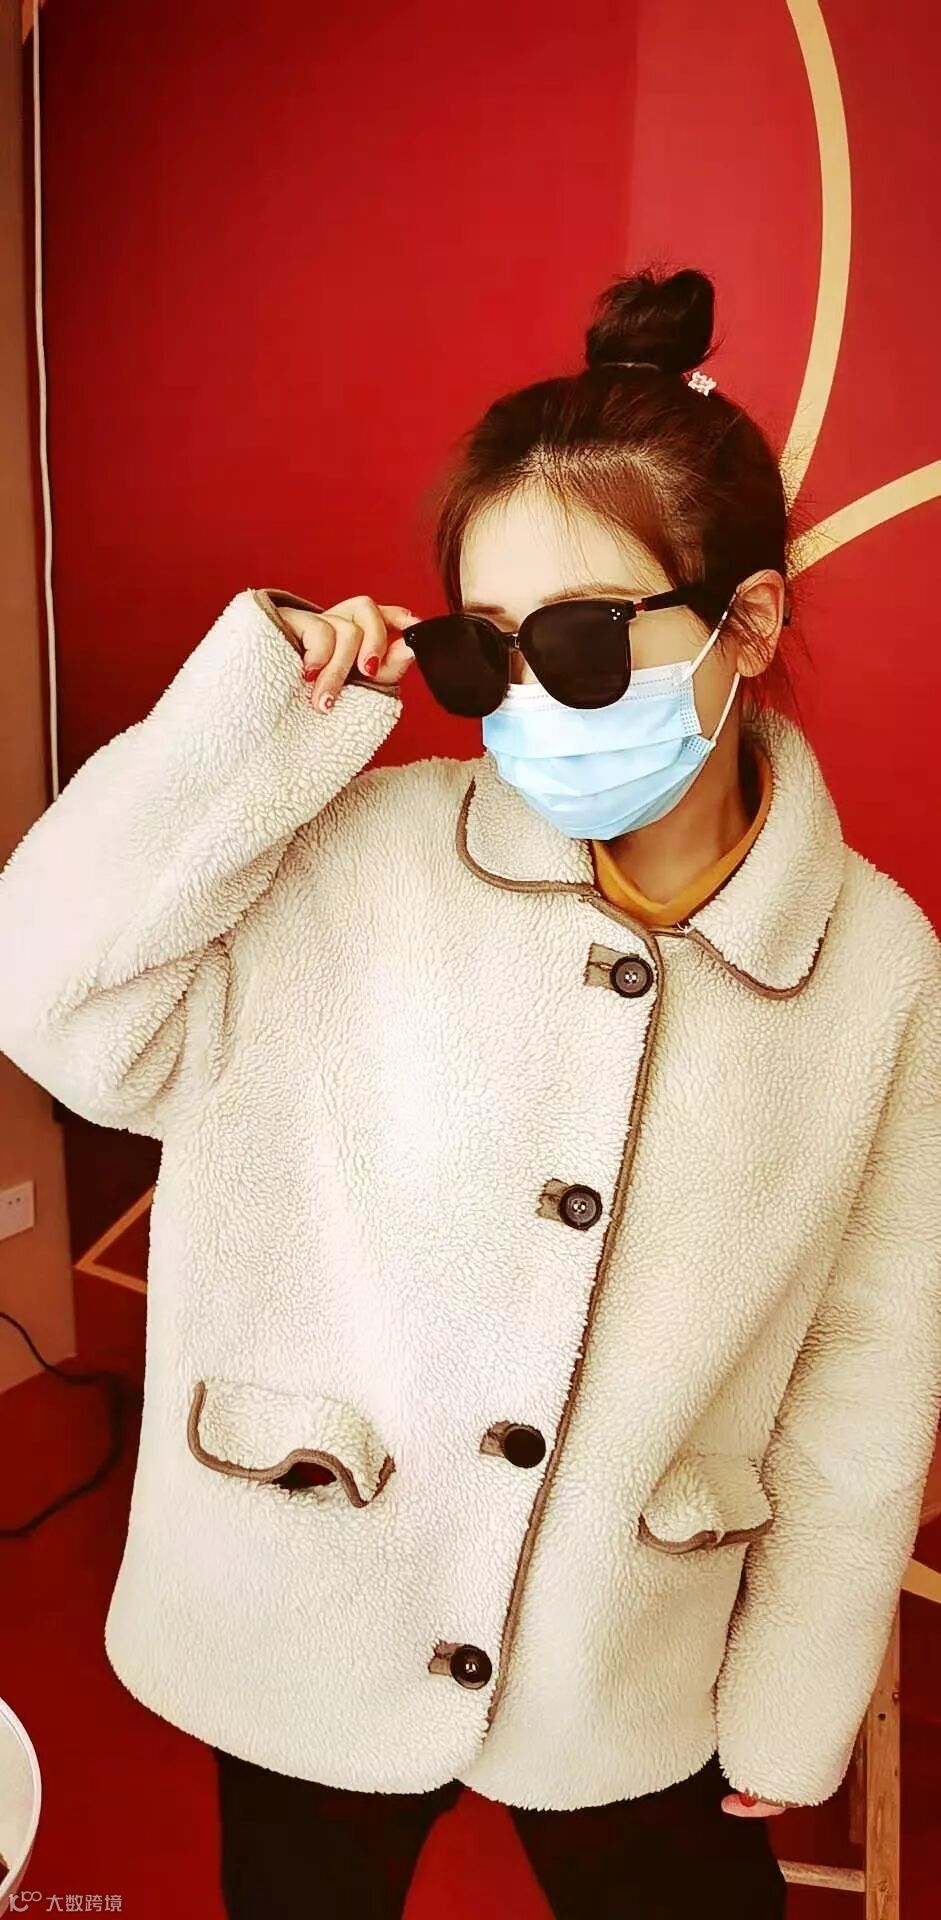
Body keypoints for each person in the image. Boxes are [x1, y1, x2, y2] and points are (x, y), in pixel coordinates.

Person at [0, 266, 938, 1919]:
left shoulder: (873, 967)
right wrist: (252, 722)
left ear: (747, 622)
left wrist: (797, 1682)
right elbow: (55, 1006)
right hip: (308, 1593)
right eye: (478, 650)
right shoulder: (350, 855)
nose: (522, 695)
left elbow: (868, 1358)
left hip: (626, 1638)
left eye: (578, 638)